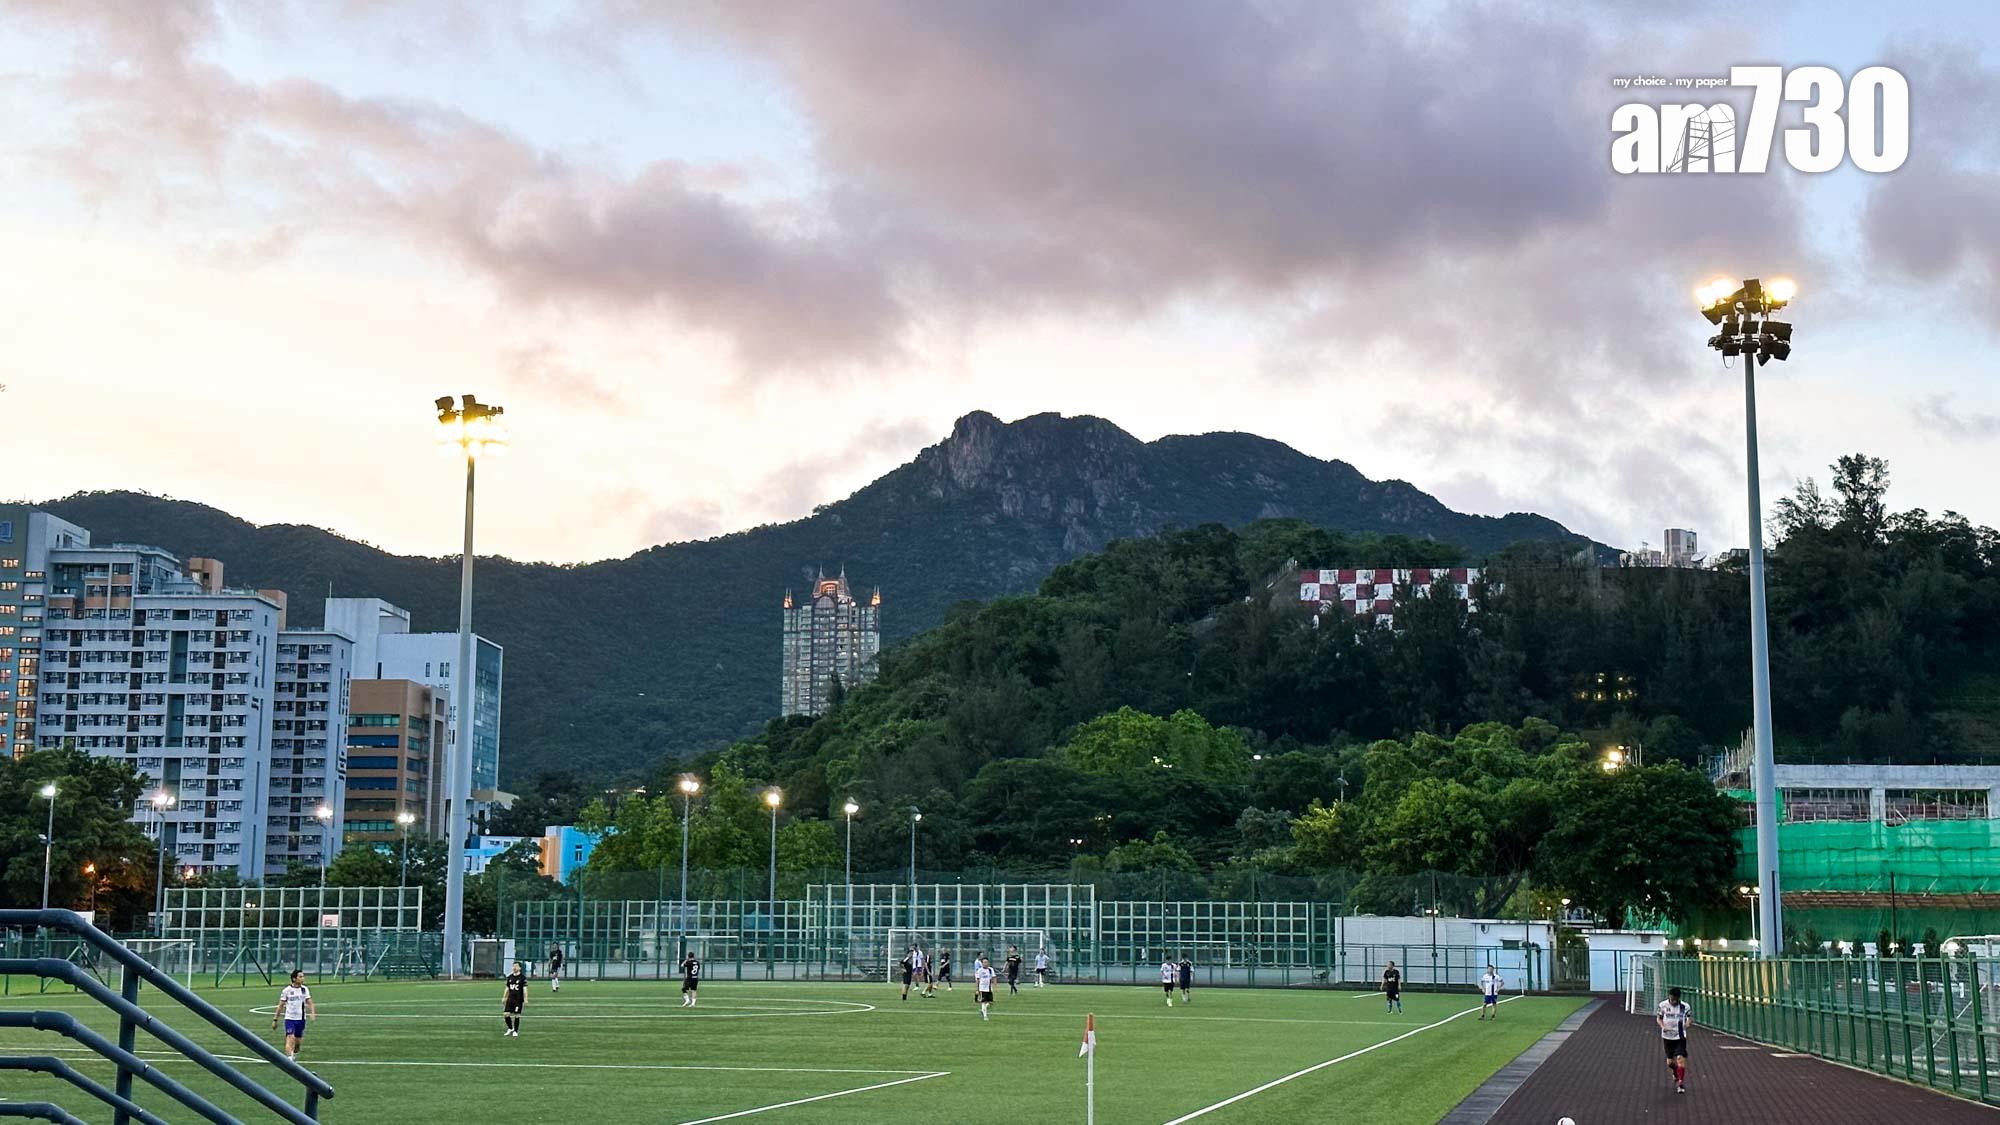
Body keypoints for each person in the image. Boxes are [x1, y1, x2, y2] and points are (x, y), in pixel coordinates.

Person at [272, 970, 315, 1060]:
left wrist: (312, 1013)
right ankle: (289, 1059)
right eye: (300, 977)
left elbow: (310, 1002)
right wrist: (275, 1020)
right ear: (294, 979)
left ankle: (293, 1054)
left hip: (301, 1019)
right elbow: (281, 1005)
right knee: (290, 1037)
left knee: (297, 1044)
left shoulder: (304, 989)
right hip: (290, 1019)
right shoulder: (286, 991)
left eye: (303, 976)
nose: (303, 978)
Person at [1657, 986, 1693, 1093]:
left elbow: (1689, 1017)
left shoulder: (1685, 1006)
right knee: (1670, 1062)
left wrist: (1687, 1023)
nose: (1673, 1001)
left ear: (1678, 998)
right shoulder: (1663, 1005)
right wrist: (1663, 1026)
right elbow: (1659, 1018)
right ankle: (1675, 1072)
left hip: (1680, 1036)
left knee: (1680, 1059)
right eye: (1671, 999)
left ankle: (1680, 1084)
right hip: (1667, 1037)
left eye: (1675, 999)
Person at [502, 960, 527, 1037]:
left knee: (517, 1015)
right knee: (506, 1014)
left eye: (516, 966)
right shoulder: (509, 977)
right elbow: (507, 988)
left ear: (519, 968)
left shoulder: (522, 978)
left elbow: (525, 989)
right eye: (513, 966)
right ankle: (510, 1028)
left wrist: (525, 999)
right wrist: (504, 997)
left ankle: (515, 1031)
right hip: (510, 999)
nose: (514, 968)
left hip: (518, 999)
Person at [974, 955, 997, 1021]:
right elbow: (977, 980)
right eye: (984, 962)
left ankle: (983, 1010)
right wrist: (977, 989)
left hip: (989, 988)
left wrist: (995, 985)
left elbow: (993, 977)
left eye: (986, 962)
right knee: (983, 1002)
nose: (985, 963)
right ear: (982, 963)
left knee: (990, 1003)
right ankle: (985, 1016)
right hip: (982, 989)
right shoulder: (979, 970)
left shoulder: (990, 969)